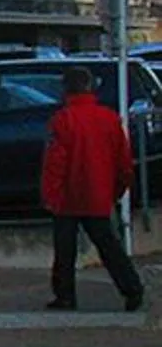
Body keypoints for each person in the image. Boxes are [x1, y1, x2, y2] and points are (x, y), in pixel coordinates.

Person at [40, 63, 145, 313]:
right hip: (99, 193)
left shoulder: (62, 120)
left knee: (65, 250)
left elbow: (55, 163)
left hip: (68, 196)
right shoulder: (109, 119)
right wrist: (118, 190)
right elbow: (123, 161)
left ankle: (65, 295)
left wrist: (50, 195)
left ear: (66, 89)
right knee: (109, 246)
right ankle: (132, 289)